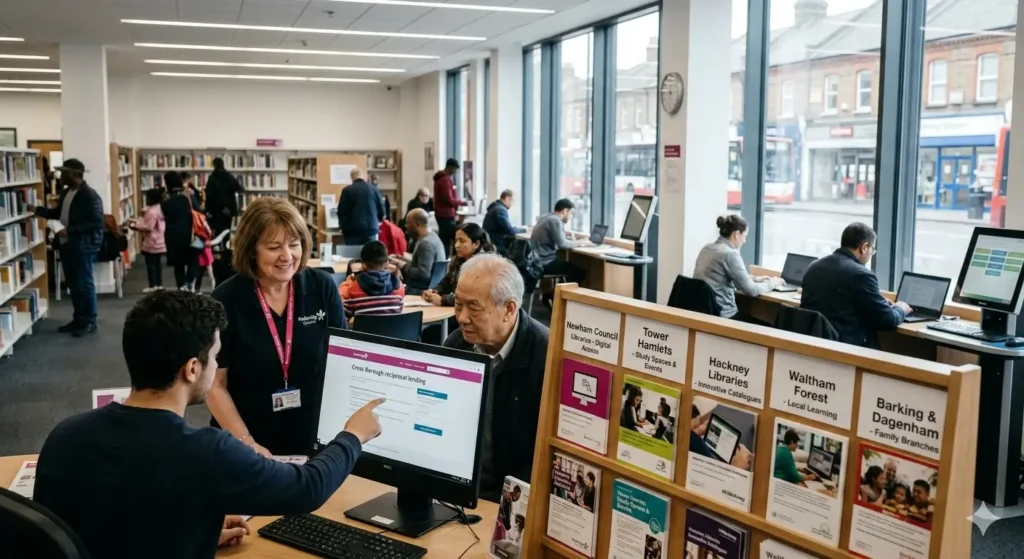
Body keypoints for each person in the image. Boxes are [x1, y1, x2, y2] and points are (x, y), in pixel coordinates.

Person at [33, 291, 384, 559]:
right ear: (191, 369)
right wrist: (352, 436)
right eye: (215, 357)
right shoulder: (206, 452)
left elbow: (110, 523)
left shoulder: (65, 436)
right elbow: (308, 488)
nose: (216, 367)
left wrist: (193, 532)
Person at [207, 197, 347, 457]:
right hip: (246, 439)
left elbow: (342, 364)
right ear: (251, 250)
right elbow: (215, 385)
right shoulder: (225, 300)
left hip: (312, 435)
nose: (287, 256)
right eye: (274, 247)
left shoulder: (322, 287)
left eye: (294, 245)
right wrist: (247, 443)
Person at [443, 254, 549, 501]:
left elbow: (544, 456)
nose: (461, 318)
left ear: (508, 309)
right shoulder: (457, 344)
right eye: (458, 304)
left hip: (514, 500)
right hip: (460, 491)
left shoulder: (545, 357)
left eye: (474, 308)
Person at [800, 222, 912, 347]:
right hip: (843, 348)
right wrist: (901, 309)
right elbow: (888, 320)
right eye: (872, 249)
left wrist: (877, 300)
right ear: (864, 247)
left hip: (811, 342)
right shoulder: (861, 274)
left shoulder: (814, 265)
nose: (871, 254)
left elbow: (837, 298)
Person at [30, 158, 104, 337]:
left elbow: (96, 223)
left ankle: (89, 321)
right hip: (67, 245)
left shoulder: (90, 195)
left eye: (65, 173)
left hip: (83, 246)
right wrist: (38, 210)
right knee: (74, 284)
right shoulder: (66, 193)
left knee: (84, 284)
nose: (61, 176)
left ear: (77, 175)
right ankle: (78, 319)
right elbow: (57, 213)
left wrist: (69, 231)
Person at [693, 214, 784, 322]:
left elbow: (721, 276)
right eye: (745, 236)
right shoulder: (729, 254)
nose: (744, 241)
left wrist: (754, 278)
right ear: (737, 234)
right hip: (724, 316)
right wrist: (773, 282)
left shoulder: (707, 248)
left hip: (702, 311)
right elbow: (752, 290)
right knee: (771, 328)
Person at [422, 222, 495, 307]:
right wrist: (433, 291)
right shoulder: (458, 260)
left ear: (476, 244)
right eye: (456, 241)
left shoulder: (485, 266)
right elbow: (447, 281)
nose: (456, 245)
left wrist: (443, 300)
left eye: (462, 241)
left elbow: (472, 297)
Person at [339, 240, 405, 317]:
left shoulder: (353, 288)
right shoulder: (398, 287)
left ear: (363, 265)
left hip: (363, 329)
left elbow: (345, 316)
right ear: (387, 263)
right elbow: (399, 310)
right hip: (392, 329)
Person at [530, 198, 586, 287]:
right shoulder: (555, 220)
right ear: (565, 211)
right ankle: (565, 298)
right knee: (579, 273)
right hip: (544, 263)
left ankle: (553, 296)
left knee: (569, 267)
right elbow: (562, 244)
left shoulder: (546, 217)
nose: (571, 217)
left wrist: (573, 241)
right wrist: (580, 242)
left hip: (536, 261)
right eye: (571, 213)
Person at [161, 171, 201, 291]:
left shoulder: (165, 199)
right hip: (189, 232)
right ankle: (189, 281)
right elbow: (198, 211)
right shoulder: (188, 195)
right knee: (193, 258)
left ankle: (181, 286)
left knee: (178, 263)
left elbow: (164, 214)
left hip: (172, 234)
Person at [391, 208, 445, 295]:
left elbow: (423, 274)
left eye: (408, 222)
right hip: (427, 287)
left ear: (417, 224)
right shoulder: (433, 238)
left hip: (419, 290)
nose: (405, 226)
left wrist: (401, 265)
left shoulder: (426, 244)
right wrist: (400, 259)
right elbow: (420, 263)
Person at [129, 188, 167, 293]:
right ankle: (159, 284)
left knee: (150, 264)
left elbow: (148, 227)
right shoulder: (160, 208)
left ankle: (152, 285)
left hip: (152, 242)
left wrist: (134, 225)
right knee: (158, 263)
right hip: (160, 239)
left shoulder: (151, 212)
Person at [337, 167, 385, 246]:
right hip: (371, 229)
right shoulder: (374, 189)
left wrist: (342, 226)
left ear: (352, 177)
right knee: (370, 255)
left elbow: (341, 211)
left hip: (352, 230)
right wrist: (377, 220)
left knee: (352, 256)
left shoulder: (347, 190)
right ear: (364, 177)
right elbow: (382, 208)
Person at [433, 158, 468, 257]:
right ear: (450, 167)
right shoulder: (445, 180)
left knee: (445, 239)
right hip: (446, 214)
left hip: (441, 213)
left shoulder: (440, 178)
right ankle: (445, 260)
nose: (455, 172)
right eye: (455, 169)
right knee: (447, 241)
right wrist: (463, 203)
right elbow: (449, 199)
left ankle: (444, 258)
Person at [204, 157, 243, 236]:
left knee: (217, 232)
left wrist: (208, 209)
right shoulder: (229, 176)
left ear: (214, 165)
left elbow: (209, 194)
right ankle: (226, 246)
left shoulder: (212, 178)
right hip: (229, 209)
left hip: (217, 209)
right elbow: (239, 188)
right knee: (227, 231)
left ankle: (219, 247)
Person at [483, 189, 527, 255]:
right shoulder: (501, 210)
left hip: (490, 242)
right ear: (507, 198)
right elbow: (510, 230)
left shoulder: (495, 207)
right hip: (497, 244)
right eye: (512, 200)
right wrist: (525, 229)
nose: (513, 203)